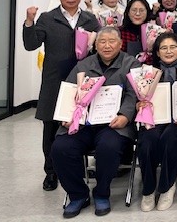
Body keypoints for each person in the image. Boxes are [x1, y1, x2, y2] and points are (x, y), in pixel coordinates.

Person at [51, 27, 140, 218]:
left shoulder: (131, 63)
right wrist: (67, 116)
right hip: (82, 123)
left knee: (109, 147)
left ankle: (101, 193)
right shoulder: (83, 65)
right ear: (95, 45)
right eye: (102, 41)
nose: (107, 46)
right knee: (60, 148)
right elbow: (70, 90)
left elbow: (134, 94)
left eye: (112, 41)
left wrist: (125, 115)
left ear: (120, 44)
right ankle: (78, 194)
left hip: (114, 124)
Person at [23, 0, 100, 192]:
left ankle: (79, 168)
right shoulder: (48, 18)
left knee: (83, 125)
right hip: (54, 81)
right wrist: (29, 22)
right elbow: (31, 44)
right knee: (50, 128)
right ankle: (51, 172)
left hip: (84, 81)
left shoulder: (90, 19)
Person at [137, 33, 177, 212]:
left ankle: (167, 186)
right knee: (147, 142)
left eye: (172, 47)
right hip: (155, 119)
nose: (168, 51)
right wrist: (140, 104)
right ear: (157, 52)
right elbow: (140, 97)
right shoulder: (149, 73)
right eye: (163, 48)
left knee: (170, 139)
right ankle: (148, 189)